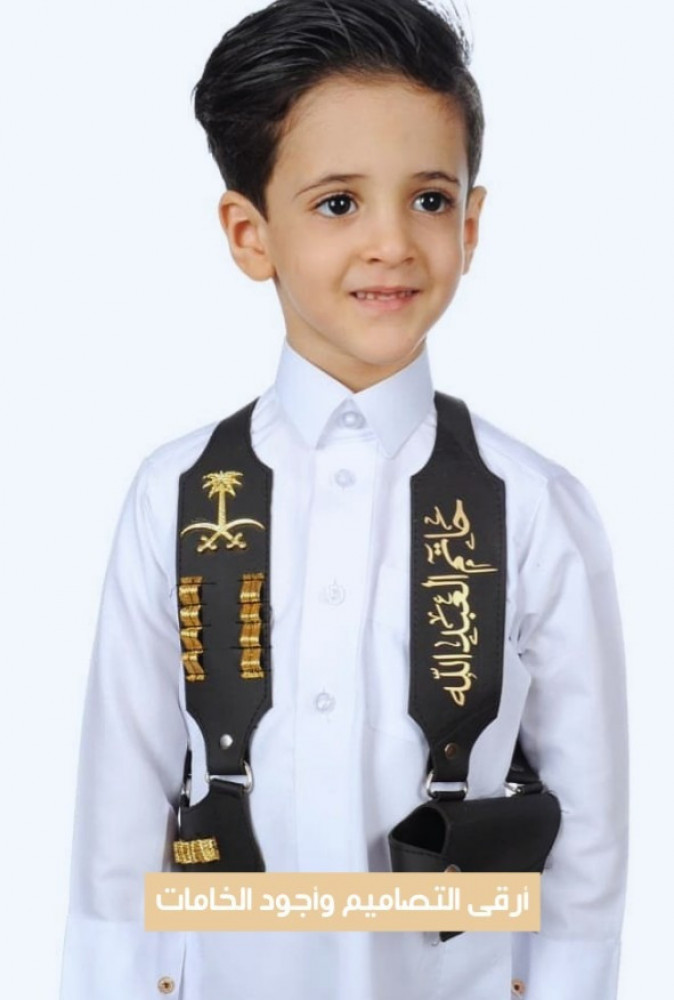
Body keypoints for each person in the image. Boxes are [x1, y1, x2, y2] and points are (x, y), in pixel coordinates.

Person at [58, 1, 629, 998]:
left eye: (428, 199)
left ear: (471, 222)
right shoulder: (174, 495)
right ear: (250, 234)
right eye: (336, 204)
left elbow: (586, 832)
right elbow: (122, 811)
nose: (391, 243)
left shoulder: (533, 506)